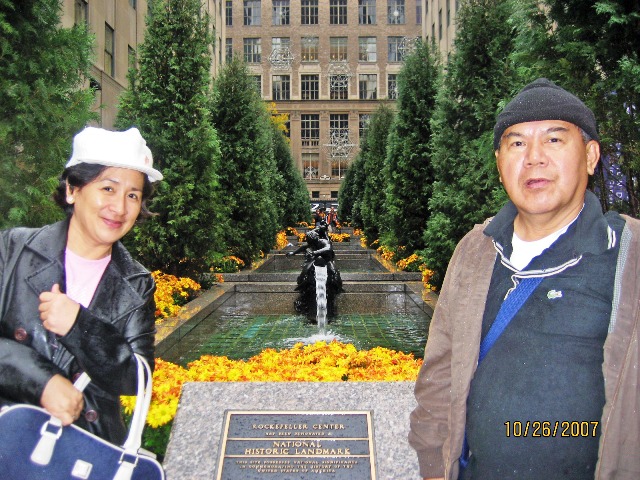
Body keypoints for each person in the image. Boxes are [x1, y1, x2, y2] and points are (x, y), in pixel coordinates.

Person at [408, 78, 640, 479]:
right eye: (517, 144)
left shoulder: (630, 255)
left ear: (590, 156)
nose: (533, 158)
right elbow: (439, 375)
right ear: (500, 165)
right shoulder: (475, 251)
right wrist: (433, 463)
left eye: (553, 140)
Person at [0, 126, 163, 445]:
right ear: (73, 190)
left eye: (133, 195)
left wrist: (80, 326)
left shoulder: (137, 283)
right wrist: (42, 382)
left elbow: (136, 377)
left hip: (87, 452)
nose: (120, 208)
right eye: (108, 189)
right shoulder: (11, 251)